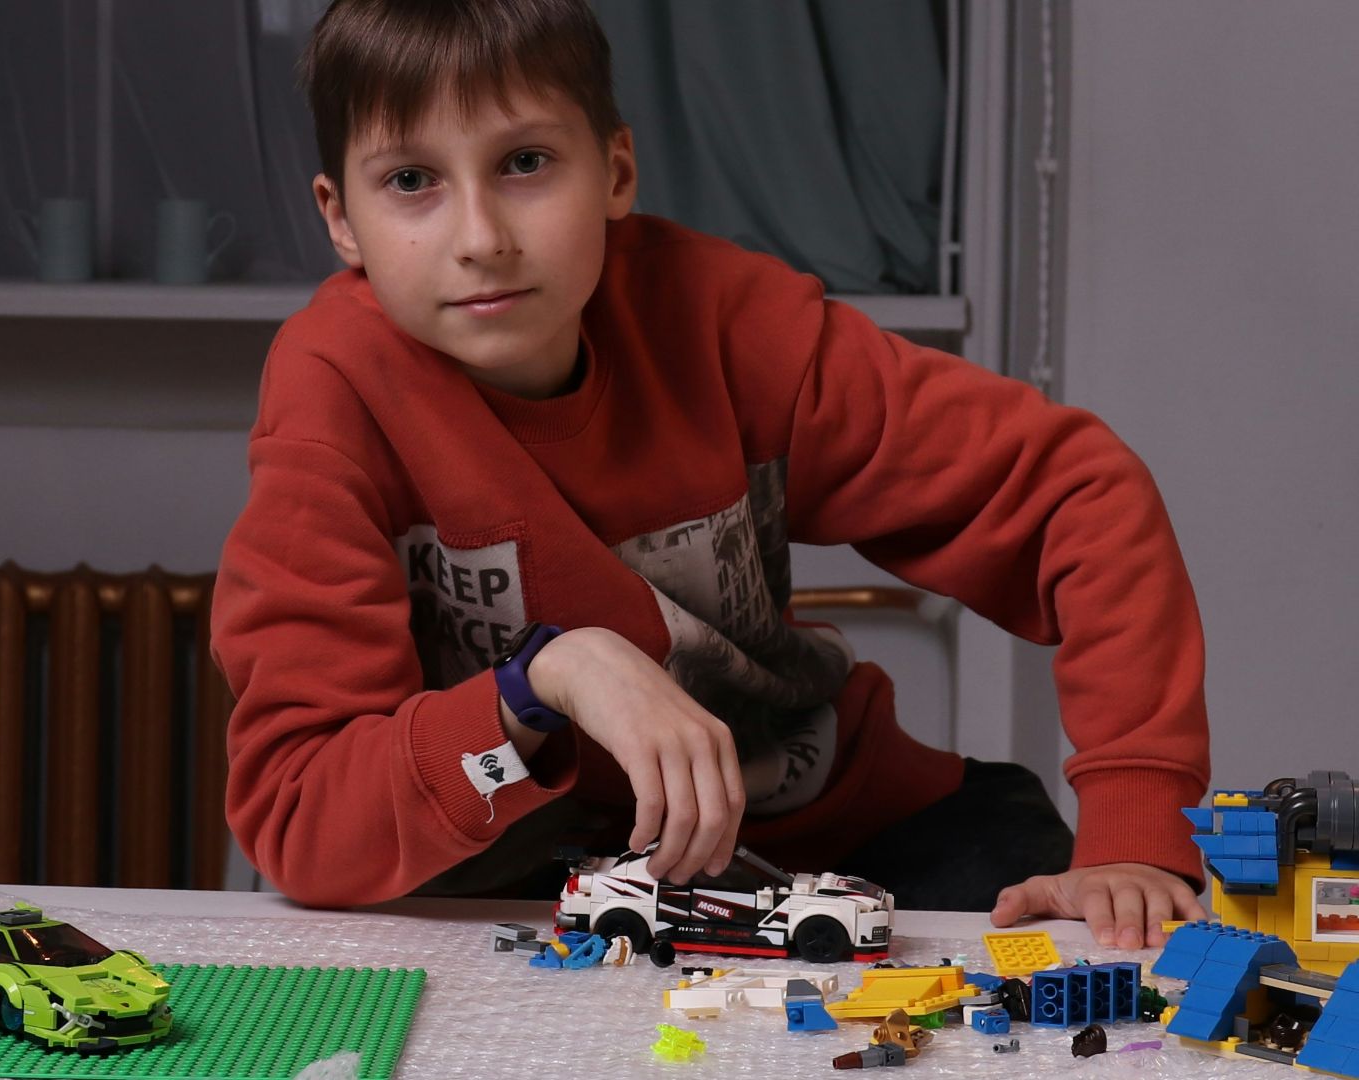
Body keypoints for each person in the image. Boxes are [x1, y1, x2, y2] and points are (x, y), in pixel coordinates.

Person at [212, 0, 1211, 948]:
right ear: (341, 221)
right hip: (502, 869)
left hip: (814, 830)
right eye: (412, 182)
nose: (479, 239)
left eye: (524, 162)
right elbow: (303, 814)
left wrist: (1133, 818)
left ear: (615, 171)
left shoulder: (725, 320)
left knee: (1067, 957)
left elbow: (1074, 493)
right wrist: (543, 681)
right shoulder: (334, 389)